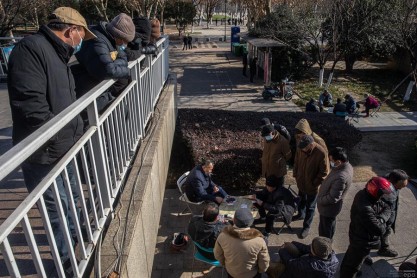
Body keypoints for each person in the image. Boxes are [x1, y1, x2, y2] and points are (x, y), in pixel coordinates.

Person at [7, 6, 95, 268]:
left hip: (63, 146)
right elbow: (31, 105)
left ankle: (77, 244)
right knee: (56, 209)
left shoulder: (58, 53)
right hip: (44, 151)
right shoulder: (31, 50)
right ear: (72, 31)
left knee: (71, 200)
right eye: (81, 37)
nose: (82, 43)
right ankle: (66, 265)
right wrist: (59, 136)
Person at [73, 13, 135, 113]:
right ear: (118, 36)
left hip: (98, 90)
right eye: (124, 40)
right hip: (89, 90)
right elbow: (107, 70)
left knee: (122, 112)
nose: (125, 44)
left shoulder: (110, 40)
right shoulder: (97, 41)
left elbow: (123, 58)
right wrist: (126, 71)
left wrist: (113, 64)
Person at [340, 177, 394, 278]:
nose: (384, 196)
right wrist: (382, 220)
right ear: (376, 192)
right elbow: (380, 230)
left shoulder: (366, 194)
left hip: (361, 235)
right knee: (352, 265)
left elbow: (387, 208)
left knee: (352, 255)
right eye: (382, 193)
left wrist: (380, 219)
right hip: (361, 240)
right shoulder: (365, 207)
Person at [214, 208, 270, 278]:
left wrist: (225, 265)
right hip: (251, 274)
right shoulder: (259, 241)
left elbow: (218, 255)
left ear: (234, 220)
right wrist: (261, 271)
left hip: (232, 272)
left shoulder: (222, 236)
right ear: (251, 222)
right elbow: (264, 262)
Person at [292, 135, 329, 239]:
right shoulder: (300, 148)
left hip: (312, 186)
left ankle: (306, 226)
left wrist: (314, 183)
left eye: (305, 148)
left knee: (311, 207)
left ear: (311, 145)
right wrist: (296, 175)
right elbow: (296, 162)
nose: (302, 149)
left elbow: (324, 172)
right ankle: (300, 214)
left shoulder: (321, 152)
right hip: (301, 182)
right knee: (301, 200)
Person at [317, 147, 353, 239]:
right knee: (328, 227)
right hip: (330, 208)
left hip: (328, 209)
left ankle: (324, 249)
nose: (330, 162)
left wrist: (320, 200)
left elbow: (333, 198)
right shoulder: (345, 166)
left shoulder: (341, 176)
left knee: (325, 232)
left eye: (332, 160)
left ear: (339, 161)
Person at [378, 169, 409, 257]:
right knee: (371, 237)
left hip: (388, 217)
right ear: (395, 182)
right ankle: (364, 254)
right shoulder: (382, 188)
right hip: (381, 218)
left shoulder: (393, 182)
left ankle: (384, 248)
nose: (402, 188)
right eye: (401, 186)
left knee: (386, 232)